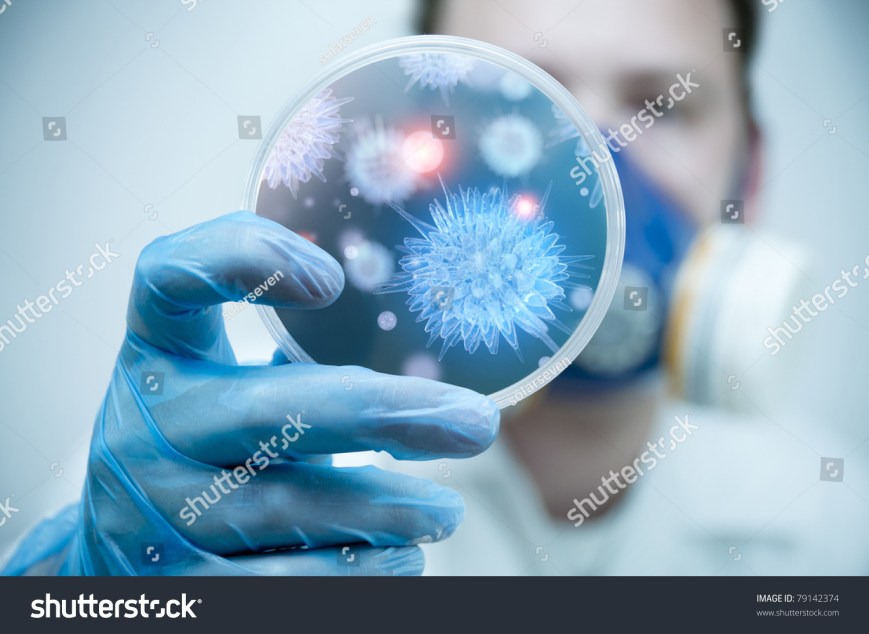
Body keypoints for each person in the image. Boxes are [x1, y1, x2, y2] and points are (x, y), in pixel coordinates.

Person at [4, 0, 866, 576]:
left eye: (662, 105)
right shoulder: (207, 485)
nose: (595, 165)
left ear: (747, 177)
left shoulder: (838, 534)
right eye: (528, 100)